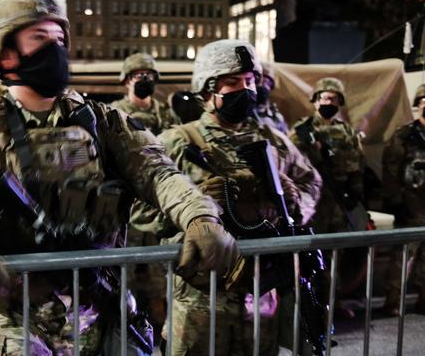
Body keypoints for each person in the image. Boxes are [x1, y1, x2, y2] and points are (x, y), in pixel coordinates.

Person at [0, 0, 238, 354]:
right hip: (11, 312)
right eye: (40, 38)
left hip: (100, 301)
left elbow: (157, 171)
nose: (56, 49)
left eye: (59, 39)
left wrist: (199, 216)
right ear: (5, 52)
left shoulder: (102, 121)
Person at [131, 39, 322, 355]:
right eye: (232, 83)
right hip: (200, 296)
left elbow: (311, 182)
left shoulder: (272, 141)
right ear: (207, 91)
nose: (245, 90)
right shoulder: (177, 142)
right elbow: (138, 208)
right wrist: (193, 206)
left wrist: (294, 201)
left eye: (249, 82)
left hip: (261, 292)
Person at [289, 77, 367, 319]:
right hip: (313, 202)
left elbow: (357, 166)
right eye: (323, 98)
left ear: (340, 102)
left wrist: (356, 192)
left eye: (332, 99)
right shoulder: (302, 131)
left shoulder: (347, 132)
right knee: (309, 254)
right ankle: (306, 306)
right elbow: (289, 164)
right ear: (315, 101)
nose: (327, 102)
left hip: (339, 201)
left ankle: (330, 303)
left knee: (335, 254)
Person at [381, 83, 425, 316]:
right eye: (423, 102)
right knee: (404, 257)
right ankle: (393, 302)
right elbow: (390, 169)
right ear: (417, 106)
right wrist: (395, 200)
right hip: (411, 203)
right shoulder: (404, 135)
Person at [111, 53, 180, 135]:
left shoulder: (166, 113)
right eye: (138, 75)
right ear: (127, 81)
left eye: (149, 75)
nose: (145, 79)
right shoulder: (115, 111)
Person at [253, 62, 288, 134]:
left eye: (268, 82)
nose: (264, 85)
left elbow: (287, 136)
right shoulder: (246, 111)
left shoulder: (276, 116)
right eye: (261, 81)